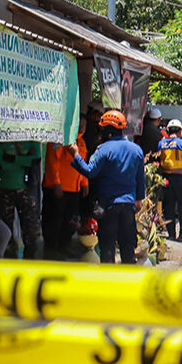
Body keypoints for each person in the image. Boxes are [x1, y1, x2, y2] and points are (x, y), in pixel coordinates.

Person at [68, 110, 146, 264]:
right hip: (128, 206)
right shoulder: (136, 150)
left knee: (108, 249)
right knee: (128, 249)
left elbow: (89, 172)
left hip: (108, 206)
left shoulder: (103, 150)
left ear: (108, 130)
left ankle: (108, 284)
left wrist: (75, 155)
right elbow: (140, 178)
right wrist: (138, 199)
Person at [42, 116, 89, 258]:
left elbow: (83, 163)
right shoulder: (60, 139)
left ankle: (64, 247)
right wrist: (56, 183)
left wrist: (84, 183)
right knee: (54, 220)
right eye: (79, 124)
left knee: (70, 221)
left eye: (84, 125)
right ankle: (51, 249)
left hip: (73, 190)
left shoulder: (81, 142)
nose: (82, 127)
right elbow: (52, 160)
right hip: (58, 188)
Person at [0, 141, 43, 259]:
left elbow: (35, 160)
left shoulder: (32, 139)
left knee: (32, 231)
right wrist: (23, 160)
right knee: (6, 233)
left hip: (25, 189)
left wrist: (11, 158)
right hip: (3, 189)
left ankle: (31, 264)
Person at [158, 119, 182, 242]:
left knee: (169, 206)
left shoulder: (161, 144)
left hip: (166, 179)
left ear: (168, 131)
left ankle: (171, 233)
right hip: (181, 179)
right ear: (180, 131)